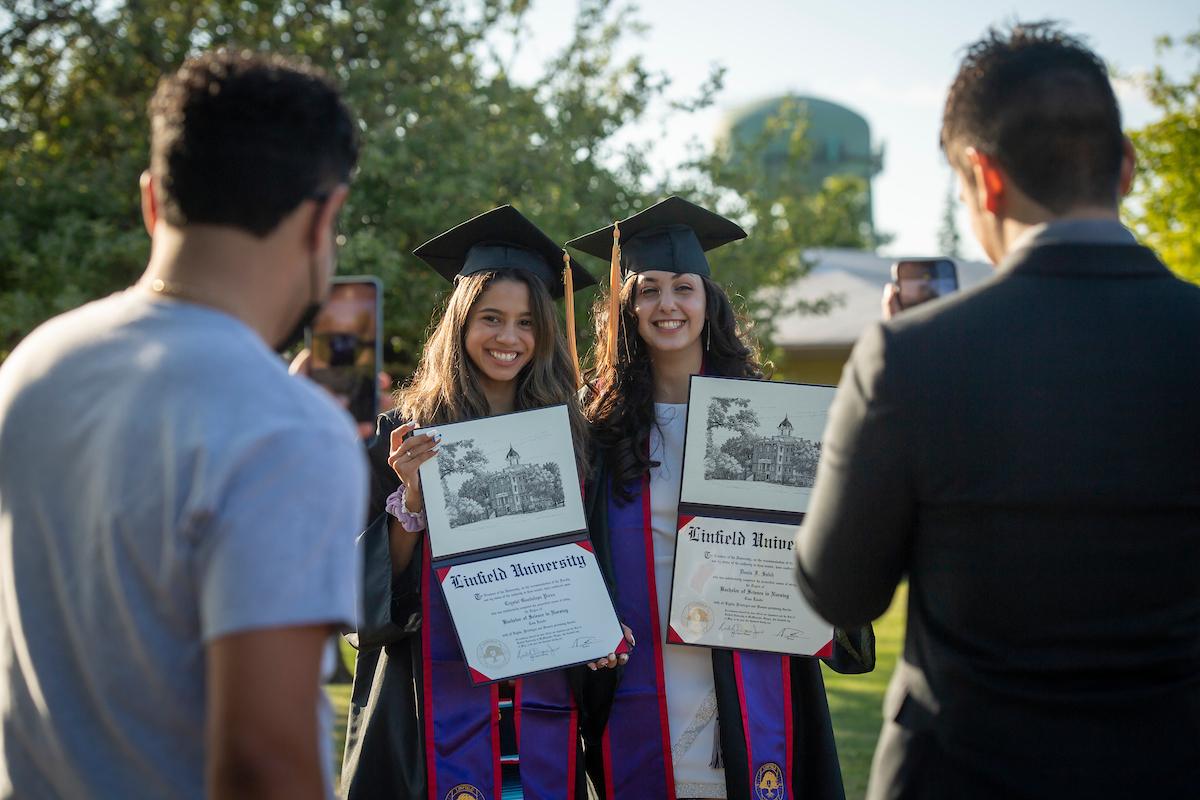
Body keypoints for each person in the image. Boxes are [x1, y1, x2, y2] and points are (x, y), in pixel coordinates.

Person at [795, 22, 1200, 800]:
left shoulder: (907, 358)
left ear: (983, 178)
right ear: (1126, 166)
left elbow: (838, 595)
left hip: (962, 772)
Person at [0, 51, 365, 800]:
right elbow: (266, 762)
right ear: (324, 216)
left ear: (151, 201)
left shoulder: (33, 365)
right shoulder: (289, 430)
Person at [568, 196, 874, 800]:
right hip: (641, 670)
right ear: (627, 308)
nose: (667, 305)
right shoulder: (594, 426)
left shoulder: (765, 414)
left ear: (709, 302)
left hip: (744, 661)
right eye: (648, 289)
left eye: (684, 287)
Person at [339, 205, 620, 800]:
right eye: (491, 318)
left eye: (525, 322)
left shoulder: (570, 438)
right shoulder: (403, 437)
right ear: (460, 324)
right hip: (427, 706)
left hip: (539, 697)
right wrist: (411, 501)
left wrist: (599, 625)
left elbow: (591, 557)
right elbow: (365, 607)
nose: (508, 338)